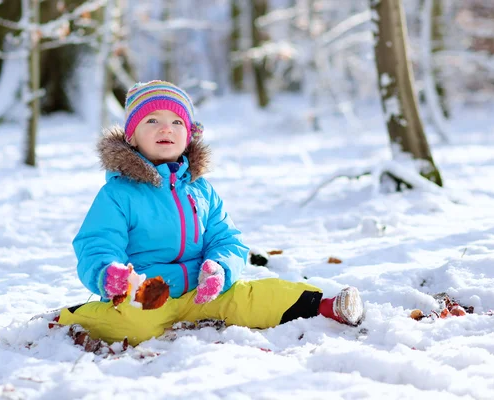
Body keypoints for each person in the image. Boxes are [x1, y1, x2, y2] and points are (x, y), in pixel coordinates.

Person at [57, 80, 365, 346]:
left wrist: (220, 268)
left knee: (252, 297)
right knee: (135, 326)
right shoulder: (118, 194)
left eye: (177, 122)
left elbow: (227, 238)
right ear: (131, 136)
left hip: (202, 290)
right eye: (152, 120)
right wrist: (107, 273)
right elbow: (97, 242)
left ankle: (326, 305)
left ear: (189, 134)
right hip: (148, 295)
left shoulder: (200, 189)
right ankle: (69, 317)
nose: (166, 127)